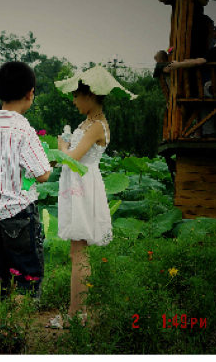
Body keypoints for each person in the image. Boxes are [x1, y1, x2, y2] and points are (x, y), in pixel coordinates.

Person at [51, 66, 135, 329]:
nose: (74, 101)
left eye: (77, 96)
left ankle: (76, 313)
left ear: (90, 96)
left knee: (80, 251)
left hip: (84, 186)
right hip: (76, 183)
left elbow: (73, 158)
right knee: (77, 250)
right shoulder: (85, 123)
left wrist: (61, 147)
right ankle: (77, 311)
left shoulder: (97, 125)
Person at [0, 62, 52, 342]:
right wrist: (51, 164)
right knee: (26, 277)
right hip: (19, 213)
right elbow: (42, 174)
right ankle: (13, 335)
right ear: (30, 94)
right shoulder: (23, 129)